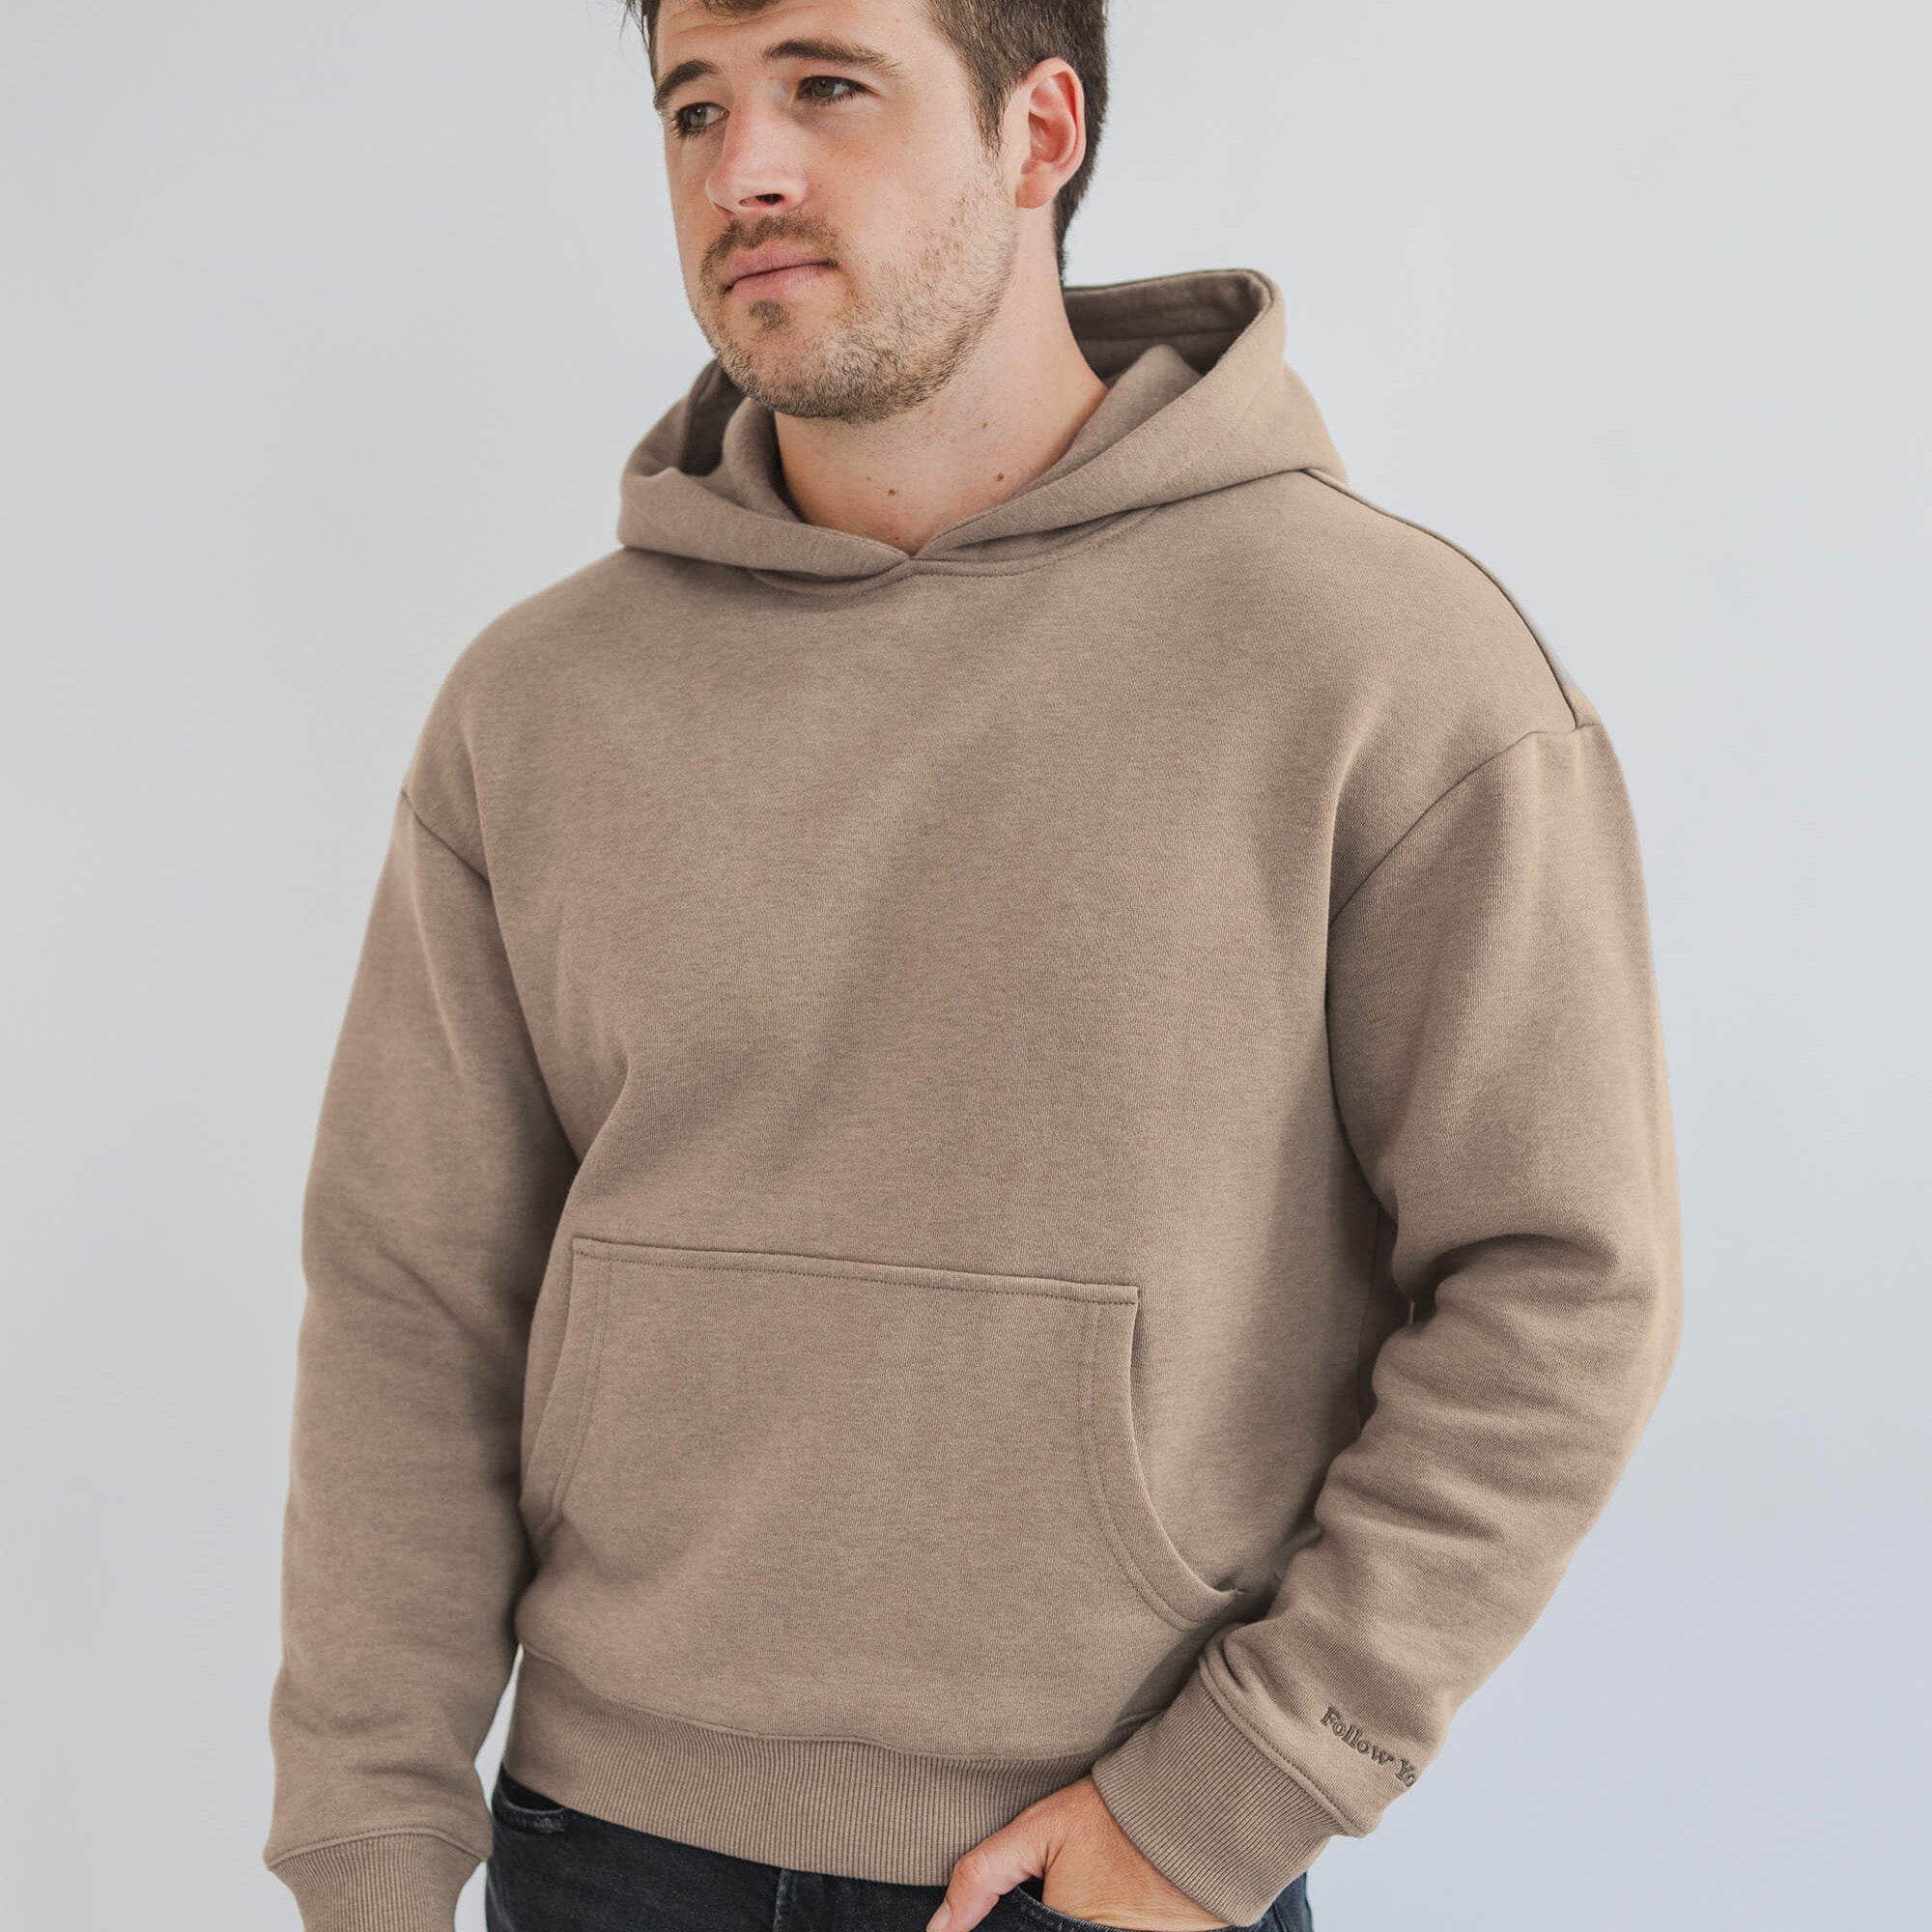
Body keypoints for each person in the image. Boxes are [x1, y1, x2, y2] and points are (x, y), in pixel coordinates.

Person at [261, 2, 1685, 1929]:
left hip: (1095, 1861)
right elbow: (413, 1299)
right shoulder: (537, 704)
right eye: (695, 106)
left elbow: (1563, 1284)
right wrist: (366, 1846)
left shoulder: (1384, 666)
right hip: (598, 1849)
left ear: (1040, 130)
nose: (743, 170)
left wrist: (1245, 1783)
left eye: (825, 86)